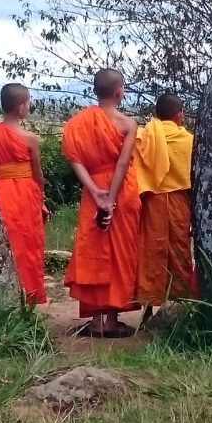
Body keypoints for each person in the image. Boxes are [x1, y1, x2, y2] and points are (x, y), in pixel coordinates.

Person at [61, 68, 141, 338]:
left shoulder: (77, 123)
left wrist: (96, 192)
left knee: (93, 250)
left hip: (93, 189)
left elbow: (76, 161)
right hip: (121, 192)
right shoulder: (128, 124)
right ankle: (112, 319)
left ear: (95, 91)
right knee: (120, 252)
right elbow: (122, 163)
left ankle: (96, 321)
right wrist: (112, 198)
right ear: (120, 92)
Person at [0, 83, 49, 305]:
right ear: (20, 107)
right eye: (28, 102)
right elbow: (38, 175)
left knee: (5, 243)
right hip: (25, 194)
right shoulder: (29, 138)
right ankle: (28, 294)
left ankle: (3, 296)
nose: (28, 106)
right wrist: (42, 202)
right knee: (26, 245)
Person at [133, 93, 198, 320]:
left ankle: (149, 305)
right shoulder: (189, 141)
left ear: (156, 115)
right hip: (180, 200)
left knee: (151, 252)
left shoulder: (144, 137)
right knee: (180, 250)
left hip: (152, 201)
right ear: (180, 115)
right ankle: (183, 302)